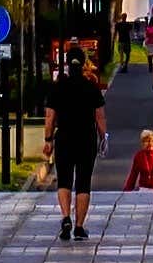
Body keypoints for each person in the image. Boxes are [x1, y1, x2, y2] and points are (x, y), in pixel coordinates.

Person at [38, 36, 110, 241]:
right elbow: (100, 116)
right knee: (84, 182)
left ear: (68, 64)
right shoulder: (91, 87)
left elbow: (50, 116)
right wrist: (103, 137)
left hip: (65, 139)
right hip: (86, 139)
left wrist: (48, 139)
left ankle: (65, 217)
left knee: (64, 180)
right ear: (84, 64)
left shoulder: (58, 87)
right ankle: (79, 227)